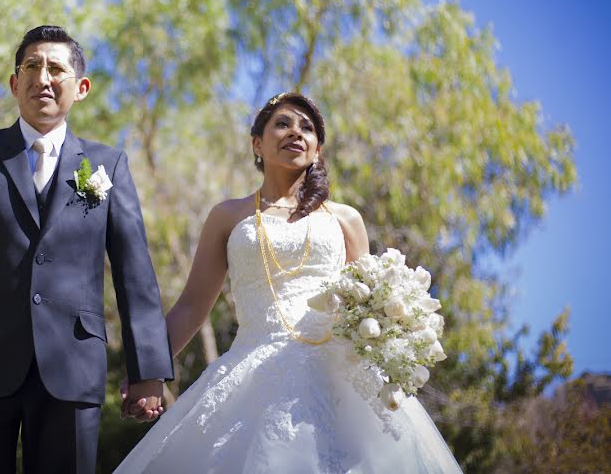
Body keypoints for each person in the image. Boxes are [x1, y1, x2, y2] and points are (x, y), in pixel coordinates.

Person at [115, 92, 462, 473]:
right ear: (257, 144)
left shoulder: (346, 219)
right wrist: (145, 371)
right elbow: (192, 307)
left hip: (341, 380)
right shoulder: (228, 216)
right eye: (282, 123)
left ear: (317, 151)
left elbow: (370, 308)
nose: (295, 132)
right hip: (253, 370)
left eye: (307, 128)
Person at [0, 25, 173, 473]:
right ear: (15, 83)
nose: (43, 77)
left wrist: (147, 369)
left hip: (73, 370)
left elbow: (135, 274)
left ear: (81, 88)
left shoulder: (106, 165)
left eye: (56, 68)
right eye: (31, 66)